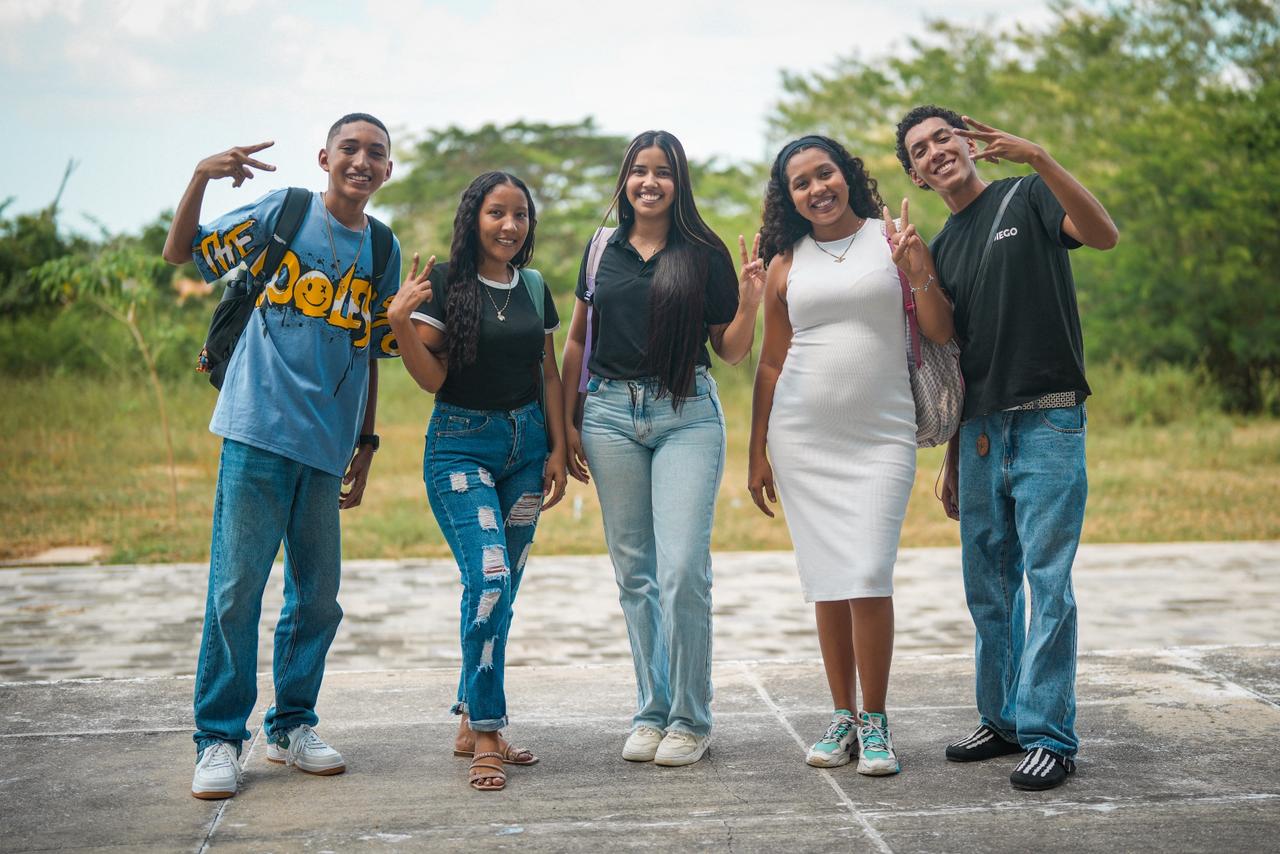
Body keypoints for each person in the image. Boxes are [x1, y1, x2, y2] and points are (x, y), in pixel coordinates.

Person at [161, 113, 403, 799]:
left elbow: (369, 347)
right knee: (236, 591)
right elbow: (183, 254)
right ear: (325, 158)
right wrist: (200, 177)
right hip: (256, 430)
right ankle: (217, 738)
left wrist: (366, 441)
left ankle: (292, 726)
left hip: (327, 445)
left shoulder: (382, 247)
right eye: (349, 149)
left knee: (317, 599)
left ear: (388, 170)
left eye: (375, 153)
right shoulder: (285, 211)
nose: (361, 161)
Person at [895, 105, 1118, 790]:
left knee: (1048, 584)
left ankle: (1050, 736)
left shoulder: (1028, 194)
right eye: (920, 150)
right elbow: (955, 349)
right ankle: (1003, 720)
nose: (936, 151)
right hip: (981, 433)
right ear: (916, 176)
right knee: (989, 588)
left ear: (969, 144)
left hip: (1049, 419)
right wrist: (954, 455)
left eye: (944, 137)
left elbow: (1104, 235)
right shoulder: (942, 244)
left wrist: (1041, 157)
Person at [748, 135, 955, 775]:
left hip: (883, 436)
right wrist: (756, 452)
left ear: (847, 175)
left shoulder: (891, 238)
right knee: (828, 581)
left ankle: (877, 721)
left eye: (825, 173)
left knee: (868, 572)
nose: (817, 189)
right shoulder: (785, 262)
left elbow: (941, 329)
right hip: (802, 438)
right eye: (801, 182)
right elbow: (772, 361)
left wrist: (916, 270)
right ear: (789, 197)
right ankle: (842, 715)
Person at [560, 130, 765, 767]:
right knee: (635, 574)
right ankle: (651, 711)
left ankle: (690, 719)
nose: (650, 182)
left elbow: (731, 351)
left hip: (686, 414)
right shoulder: (603, 247)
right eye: (639, 170)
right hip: (608, 416)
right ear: (625, 179)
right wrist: (568, 421)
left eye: (663, 171)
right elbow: (577, 340)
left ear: (679, 183)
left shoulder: (703, 252)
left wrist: (750, 303)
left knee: (681, 572)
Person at [387, 171, 567, 791]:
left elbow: (548, 374)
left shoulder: (533, 287)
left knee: (501, 586)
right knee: (490, 577)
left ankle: (470, 720)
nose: (509, 225)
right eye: (497, 213)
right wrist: (400, 323)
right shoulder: (445, 284)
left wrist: (557, 448)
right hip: (461, 446)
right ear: (474, 218)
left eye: (520, 214)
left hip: (526, 448)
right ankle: (488, 730)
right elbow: (432, 380)